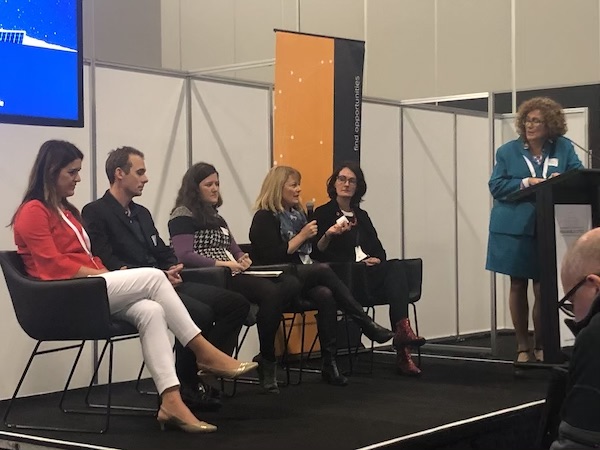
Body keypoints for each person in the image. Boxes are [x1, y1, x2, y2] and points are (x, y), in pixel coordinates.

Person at [11, 140, 257, 433]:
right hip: (63, 297)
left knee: (151, 310)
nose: (78, 178)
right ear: (52, 171)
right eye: (72, 172)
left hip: (86, 288)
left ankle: (171, 401)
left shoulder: (66, 211)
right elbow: (52, 266)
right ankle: (204, 351)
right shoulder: (33, 211)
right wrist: (103, 274)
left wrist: (103, 274)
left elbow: (88, 256)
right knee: (153, 277)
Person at [81, 146, 251, 411]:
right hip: (133, 289)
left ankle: (206, 369)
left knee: (236, 304)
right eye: (140, 172)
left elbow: (161, 249)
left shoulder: (142, 213)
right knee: (200, 313)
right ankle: (188, 386)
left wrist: (173, 267)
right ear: (119, 174)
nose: (146, 178)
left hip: (164, 282)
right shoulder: (95, 211)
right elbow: (105, 258)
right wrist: (158, 275)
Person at [249, 165, 394, 386]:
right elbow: (271, 257)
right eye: (294, 185)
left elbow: (314, 252)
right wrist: (302, 236)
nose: (299, 190)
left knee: (326, 294)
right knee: (323, 270)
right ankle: (365, 323)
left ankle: (329, 362)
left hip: (301, 276)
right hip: (278, 280)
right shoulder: (264, 217)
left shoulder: (297, 215)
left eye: (299, 185)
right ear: (278, 188)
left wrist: (327, 235)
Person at [168, 162, 301, 394]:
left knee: (288, 283)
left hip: (231, 271)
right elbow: (184, 255)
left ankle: (256, 352)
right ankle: (253, 357)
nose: (215, 188)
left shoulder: (216, 217)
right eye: (208, 184)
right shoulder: (182, 214)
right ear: (194, 188)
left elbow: (234, 248)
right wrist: (223, 264)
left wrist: (242, 258)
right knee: (270, 292)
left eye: (217, 184)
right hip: (209, 276)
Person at [486, 97, 583, 363]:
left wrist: (562, 180)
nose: (530, 125)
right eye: (527, 120)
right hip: (513, 228)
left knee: (543, 287)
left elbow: (578, 174)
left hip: (547, 226)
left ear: (550, 124)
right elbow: (496, 186)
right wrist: (526, 182)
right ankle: (522, 346)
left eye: (536, 121)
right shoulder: (507, 151)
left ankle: (542, 344)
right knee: (518, 284)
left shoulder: (563, 147)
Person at [313, 162, 425, 376]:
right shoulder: (323, 212)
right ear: (334, 183)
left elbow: (380, 251)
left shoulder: (361, 216)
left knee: (396, 266)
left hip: (367, 275)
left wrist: (375, 259)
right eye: (342, 179)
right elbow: (317, 252)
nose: (346, 184)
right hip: (343, 278)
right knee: (394, 275)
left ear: (358, 186)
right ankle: (403, 343)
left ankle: (402, 333)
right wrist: (330, 234)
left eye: (352, 181)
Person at [549, 228, 600, 449]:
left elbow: (580, 442)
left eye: (572, 302)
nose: (575, 315)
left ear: (594, 285)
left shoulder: (594, 337)